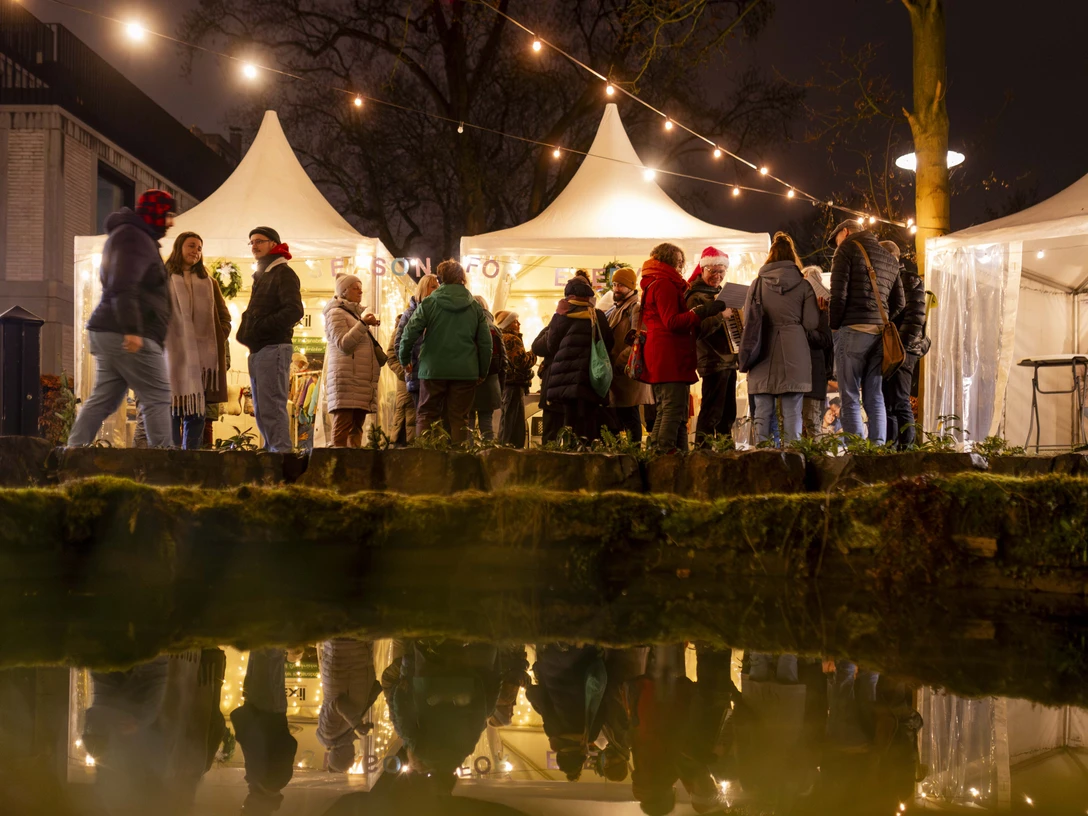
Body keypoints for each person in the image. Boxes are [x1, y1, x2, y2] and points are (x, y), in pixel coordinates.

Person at [69, 189, 176, 448]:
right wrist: (132, 330)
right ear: (155, 212)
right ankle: (167, 463)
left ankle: (71, 452)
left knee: (105, 398)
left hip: (113, 330)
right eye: (168, 215)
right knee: (157, 395)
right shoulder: (133, 237)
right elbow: (123, 283)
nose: (171, 222)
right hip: (127, 331)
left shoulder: (135, 236)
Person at [639, 243, 726, 452]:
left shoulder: (655, 282)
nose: (682, 267)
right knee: (672, 410)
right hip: (669, 355)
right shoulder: (664, 284)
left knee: (672, 411)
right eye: (679, 263)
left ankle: (675, 456)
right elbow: (672, 322)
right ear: (671, 261)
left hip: (665, 355)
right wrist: (702, 311)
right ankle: (664, 456)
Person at [828, 220, 905, 444]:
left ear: (845, 231)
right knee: (875, 394)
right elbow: (899, 301)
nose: (837, 245)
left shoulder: (847, 249)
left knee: (850, 395)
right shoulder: (888, 255)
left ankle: (858, 453)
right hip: (880, 335)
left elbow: (838, 296)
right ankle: (877, 449)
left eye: (837, 241)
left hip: (852, 330)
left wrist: (835, 325)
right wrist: (881, 319)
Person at [399, 260, 491, 445]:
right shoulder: (474, 307)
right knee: (459, 418)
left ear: (442, 279)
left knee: (426, 414)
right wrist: (482, 371)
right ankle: (459, 465)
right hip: (465, 371)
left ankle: (425, 459)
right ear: (462, 279)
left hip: (433, 369)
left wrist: (405, 358)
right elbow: (485, 343)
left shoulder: (429, 303)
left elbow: (409, 332)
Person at [745, 233, 820, 445]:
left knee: (762, 412)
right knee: (792, 413)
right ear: (792, 257)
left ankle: (761, 458)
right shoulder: (804, 286)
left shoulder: (757, 284)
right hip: (794, 350)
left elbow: (748, 320)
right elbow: (811, 324)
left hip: (762, 349)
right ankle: (793, 461)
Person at [236, 226, 305, 453]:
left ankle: (281, 455)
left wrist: (261, 328)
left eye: (259, 241)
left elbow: (294, 310)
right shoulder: (264, 273)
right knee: (262, 406)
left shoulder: (282, 272)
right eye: (252, 242)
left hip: (273, 347)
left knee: (272, 406)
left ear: (273, 244)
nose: (254, 246)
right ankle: (270, 449)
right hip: (260, 349)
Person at [162, 231, 231, 449]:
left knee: (197, 413)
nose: (196, 251)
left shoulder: (209, 283)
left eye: (200, 248)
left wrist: (216, 338)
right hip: (171, 359)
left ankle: (189, 461)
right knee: (171, 411)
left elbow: (224, 315)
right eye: (192, 246)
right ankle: (170, 461)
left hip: (201, 362)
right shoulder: (162, 280)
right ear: (179, 248)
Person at [545, 272, 615, 442]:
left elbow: (550, 345)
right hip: (591, 376)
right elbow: (608, 343)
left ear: (569, 296)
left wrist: (557, 316)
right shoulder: (596, 315)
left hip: (565, 379)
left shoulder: (563, 315)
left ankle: (571, 460)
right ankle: (588, 458)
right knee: (589, 422)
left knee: (569, 422)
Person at [525, 645, 608, 782]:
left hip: (584, 666)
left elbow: (602, 705)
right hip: (552, 667)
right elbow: (540, 697)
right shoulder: (553, 732)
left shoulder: (590, 733)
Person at [684, 247, 738, 445]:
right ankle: (703, 453)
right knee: (711, 413)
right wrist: (720, 316)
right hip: (713, 361)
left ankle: (726, 453)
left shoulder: (720, 292)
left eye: (721, 272)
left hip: (729, 360)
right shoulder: (695, 296)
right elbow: (698, 330)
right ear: (703, 269)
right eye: (713, 271)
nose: (717, 276)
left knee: (727, 414)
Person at [323, 274, 382, 448]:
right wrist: (363, 324)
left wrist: (362, 323)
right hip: (346, 380)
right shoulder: (335, 313)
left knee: (357, 426)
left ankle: (355, 465)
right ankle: (337, 464)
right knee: (343, 424)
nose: (360, 291)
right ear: (344, 291)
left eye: (360, 287)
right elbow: (344, 344)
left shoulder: (353, 315)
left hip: (359, 380)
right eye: (355, 287)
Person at [881, 241, 928, 449]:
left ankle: (907, 449)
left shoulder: (909, 279)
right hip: (891, 350)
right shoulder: (892, 280)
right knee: (887, 402)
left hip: (902, 351)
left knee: (899, 401)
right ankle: (892, 447)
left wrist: (900, 349)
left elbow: (915, 318)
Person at [317, 638, 380, 773]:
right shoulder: (343, 734)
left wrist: (357, 724)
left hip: (343, 658)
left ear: (340, 755)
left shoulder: (329, 732)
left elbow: (338, 704)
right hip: (356, 658)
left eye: (350, 756)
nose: (353, 752)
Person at [606, 266, 653, 444]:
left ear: (631, 287)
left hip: (625, 371)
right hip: (617, 373)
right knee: (620, 416)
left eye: (621, 285)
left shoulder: (635, 308)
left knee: (630, 416)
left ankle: (632, 454)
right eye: (615, 284)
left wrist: (620, 362)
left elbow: (638, 337)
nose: (617, 289)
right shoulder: (615, 308)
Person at [394, 274, 439, 410]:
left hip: (436, 374)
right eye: (433, 287)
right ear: (423, 289)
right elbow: (399, 342)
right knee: (423, 416)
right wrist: (406, 363)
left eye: (438, 287)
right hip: (417, 374)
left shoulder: (438, 312)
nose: (437, 290)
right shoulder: (409, 314)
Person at [801, 265, 835, 438]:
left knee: (812, 421)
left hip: (814, 376)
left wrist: (803, 331)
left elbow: (826, 340)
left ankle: (817, 461)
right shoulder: (802, 310)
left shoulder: (823, 312)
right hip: (801, 377)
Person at [494, 310, 536, 448]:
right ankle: (509, 448)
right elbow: (521, 361)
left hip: (507, 383)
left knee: (509, 418)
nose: (519, 323)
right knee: (512, 420)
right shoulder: (512, 339)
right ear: (508, 324)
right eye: (515, 321)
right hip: (514, 384)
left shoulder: (501, 337)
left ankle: (506, 446)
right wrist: (533, 354)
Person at [470, 295, 506, 441]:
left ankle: (468, 457)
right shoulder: (493, 328)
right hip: (490, 380)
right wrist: (500, 386)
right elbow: (503, 361)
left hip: (469, 379)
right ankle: (489, 457)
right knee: (486, 423)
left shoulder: (467, 326)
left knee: (468, 423)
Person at [385, 313, 416, 446]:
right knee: (405, 417)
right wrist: (405, 373)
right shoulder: (402, 326)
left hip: (424, 382)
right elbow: (391, 355)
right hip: (406, 384)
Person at [531, 320, 563, 444]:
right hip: (574, 388)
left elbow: (537, 347)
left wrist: (552, 324)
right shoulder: (588, 322)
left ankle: (549, 461)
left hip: (553, 385)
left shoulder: (557, 326)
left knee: (551, 432)